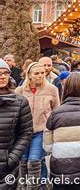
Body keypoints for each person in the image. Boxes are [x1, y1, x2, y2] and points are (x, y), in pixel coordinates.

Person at [15, 62, 60, 187]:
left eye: (42, 73)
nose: (40, 76)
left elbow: (56, 111)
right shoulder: (19, 91)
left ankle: (34, 187)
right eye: (37, 73)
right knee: (23, 162)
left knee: (34, 161)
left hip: (41, 131)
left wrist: (52, 130)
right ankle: (24, 187)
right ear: (29, 75)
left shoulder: (52, 89)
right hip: (23, 132)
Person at [0, 59, 33, 190]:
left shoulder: (19, 102)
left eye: (5, 73)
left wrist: (12, 158)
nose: (2, 76)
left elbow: (26, 132)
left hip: (7, 165)